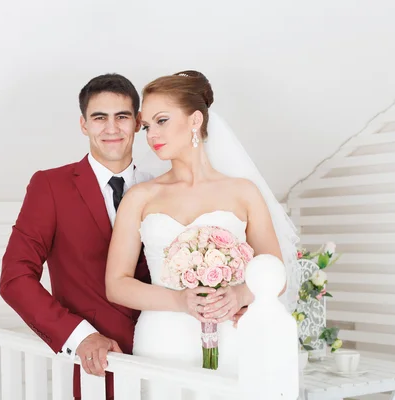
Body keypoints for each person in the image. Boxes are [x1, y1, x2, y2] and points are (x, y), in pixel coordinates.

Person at [105, 70, 299, 399]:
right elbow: (116, 285)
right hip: (163, 340)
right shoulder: (140, 197)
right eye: (147, 126)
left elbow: (275, 273)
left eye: (162, 120)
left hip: (233, 337)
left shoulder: (243, 192)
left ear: (195, 120)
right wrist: (179, 301)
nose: (152, 134)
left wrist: (239, 295)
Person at [0, 73, 154, 400]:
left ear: (138, 123)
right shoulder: (50, 186)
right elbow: (15, 277)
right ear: (84, 125)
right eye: (100, 118)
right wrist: (80, 336)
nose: (111, 128)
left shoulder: (162, 188)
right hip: (98, 365)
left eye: (122, 117)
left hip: (168, 356)